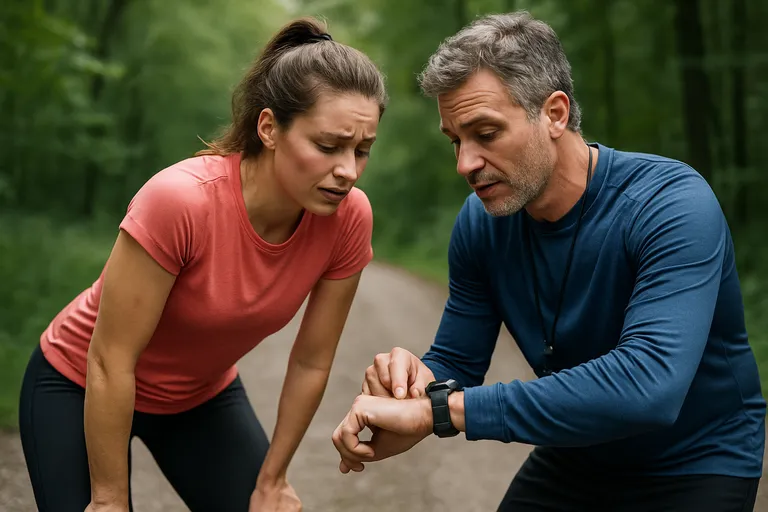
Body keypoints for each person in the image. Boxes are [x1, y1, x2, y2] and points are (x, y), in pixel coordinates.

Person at [332, 11, 765, 512]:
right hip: (577, 454)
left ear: (555, 114)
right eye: (456, 140)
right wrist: (413, 386)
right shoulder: (481, 223)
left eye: (486, 134)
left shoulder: (669, 204)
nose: (465, 164)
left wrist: (442, 413)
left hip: (696, 461)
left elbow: (649, 385)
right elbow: (458, 363)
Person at [18, 16, 387, 512]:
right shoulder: (181, 201)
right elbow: (111, 357)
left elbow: (310, 360)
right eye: (327, 146)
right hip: (81, 382)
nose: (347, 170)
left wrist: (272, 479)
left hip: (198, 399)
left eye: (362, 150)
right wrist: (109, 500)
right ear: (269, 128)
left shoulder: (348, 218)